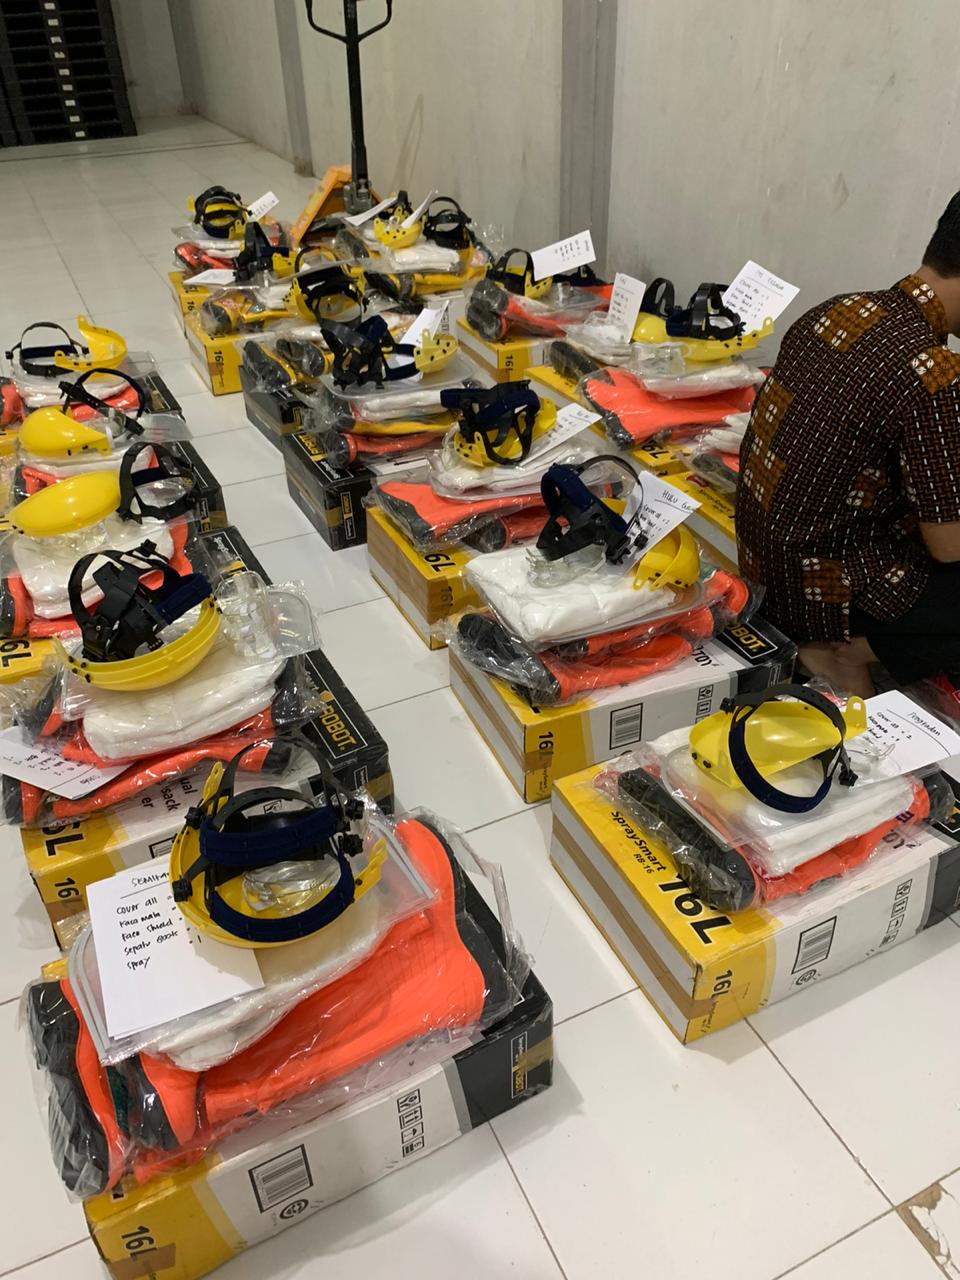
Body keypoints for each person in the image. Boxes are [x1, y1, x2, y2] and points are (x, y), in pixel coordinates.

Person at [736, 192, 960, 698]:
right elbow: (949, 546)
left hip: (767, 567)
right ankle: (851, 650)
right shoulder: (934, 371)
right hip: (833, 591)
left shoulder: (837, 310)